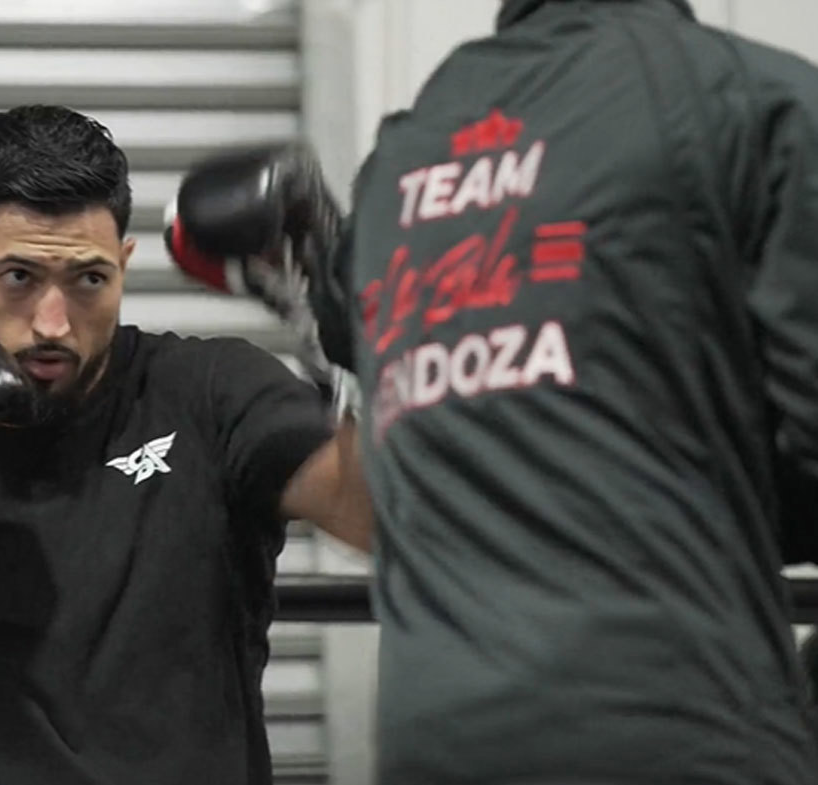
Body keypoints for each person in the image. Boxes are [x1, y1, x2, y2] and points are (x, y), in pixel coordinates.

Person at [169, 0, 818, 782]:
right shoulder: (751, 100)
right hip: (676, 716)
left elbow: (440, 434)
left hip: (436, 734)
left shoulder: (410, 151)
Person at [0, 104, 373, 784]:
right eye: (19, 277)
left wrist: (354, 335)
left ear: (123, 264)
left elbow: (377, 520)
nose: (53, 323)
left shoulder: (210, 393)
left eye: (88, 280)